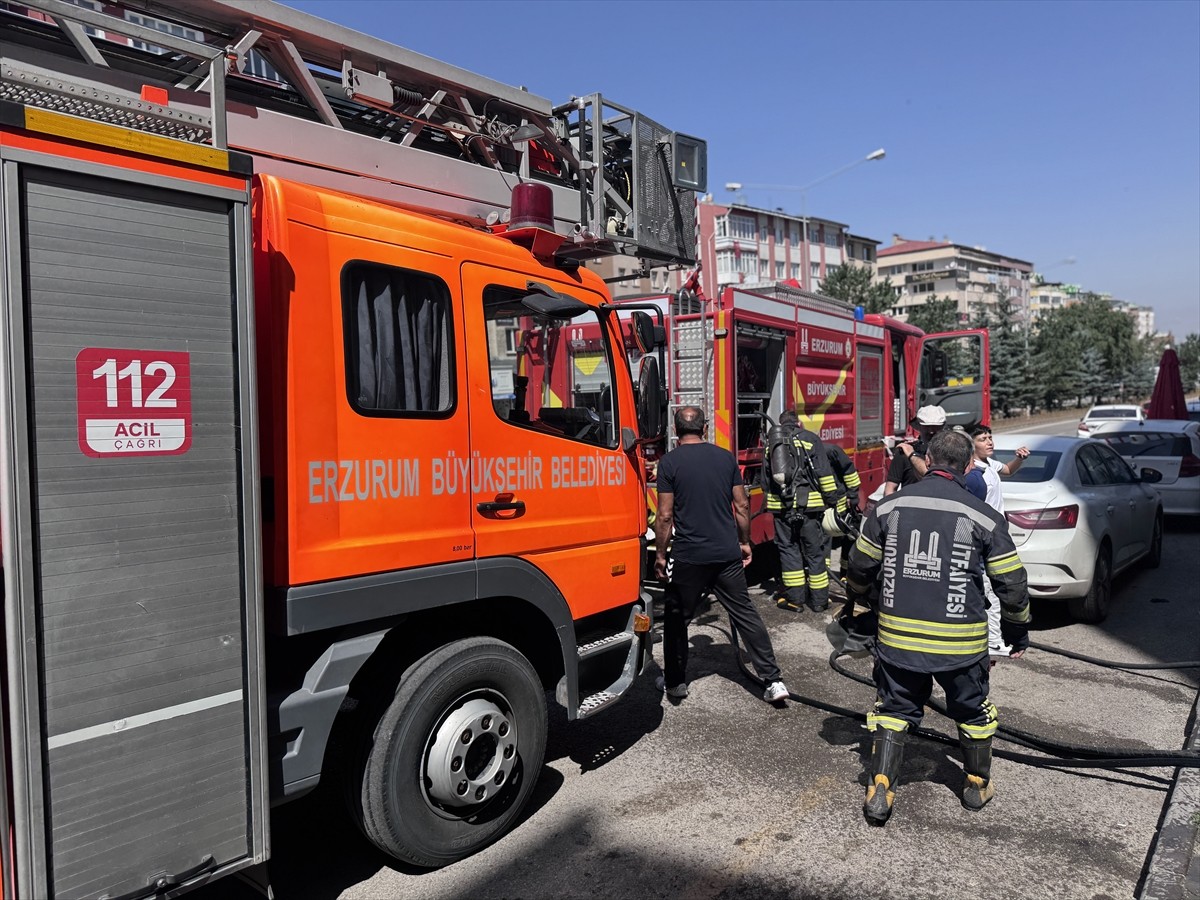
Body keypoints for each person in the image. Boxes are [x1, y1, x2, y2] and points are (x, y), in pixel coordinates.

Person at [846, 429, 1030, 826]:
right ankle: (976, 785)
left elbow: (859, 567)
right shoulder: (984, 516)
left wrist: (862, 600)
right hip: (960, 647)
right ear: (967, 466)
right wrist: (1017, 631)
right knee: (974, 712)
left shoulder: (888, 507)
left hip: (897, 641)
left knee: (894, 710)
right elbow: (1012, 585)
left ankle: (880, 787)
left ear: (927, 461)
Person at [653, 406, 790, 704]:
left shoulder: (669, 463)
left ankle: (675, 683)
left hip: (688, 556)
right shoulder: (726, 458)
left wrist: (661, 555)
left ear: (675, 431)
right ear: (705, 429)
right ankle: (773, 680)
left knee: (677, 621)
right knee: (745, 614)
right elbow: (742, 505)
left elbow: (664, 516)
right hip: (726, 553)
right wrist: (744, 542)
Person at [763, 410, 840, 613]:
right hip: (810, 509)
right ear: (798, 423)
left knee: (789, 551)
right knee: (815, 552)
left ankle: (795, 600)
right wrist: (832, 501)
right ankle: (819, 601)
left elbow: (765, 481)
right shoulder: (810, 439)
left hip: (782, 510)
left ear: (781, 424)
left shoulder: (772, 444)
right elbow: (824, 473)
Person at [970, 425, 1030, 655]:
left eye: (990, 437)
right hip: (986, 540)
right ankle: (993, 641)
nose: (989, 442)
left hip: (997, 537)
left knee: (994, 589)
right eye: (982, 439)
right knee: (992, 591)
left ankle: (992, 637)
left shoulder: (989, 464)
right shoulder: (974, 474)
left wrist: (1019, 459)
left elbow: (1008, 470)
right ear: (971, 445)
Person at [883, 405, 946, 495]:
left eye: (935, 427)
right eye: (927, 427)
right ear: (918, 426)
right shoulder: (903, 453)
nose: (931, 431)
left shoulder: (950, 454)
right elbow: (890, 489)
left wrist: (912, 455)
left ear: (943, 427)